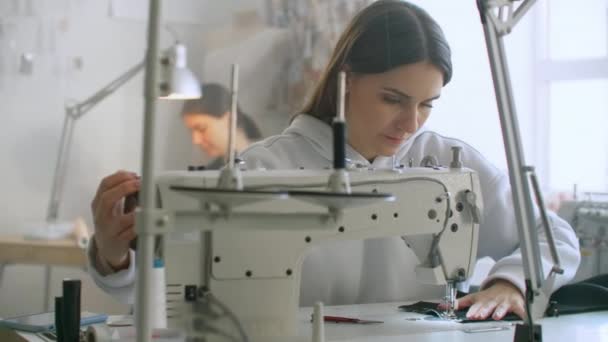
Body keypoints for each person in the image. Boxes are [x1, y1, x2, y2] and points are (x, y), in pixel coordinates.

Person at [89, 0, 580, 321]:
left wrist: (508, 282)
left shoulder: (445, 160)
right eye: (394, 98)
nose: (412, 122)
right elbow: (168, 300)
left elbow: (555, 238)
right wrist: (115, 255)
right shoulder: (264, 171)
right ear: (345, 81)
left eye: (427, 104)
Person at [182, 83, 262, 169]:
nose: (196, 140)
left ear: (230, 119)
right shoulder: (210, 174)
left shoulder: (270, 165)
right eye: (191, 131)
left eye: (202, 128)